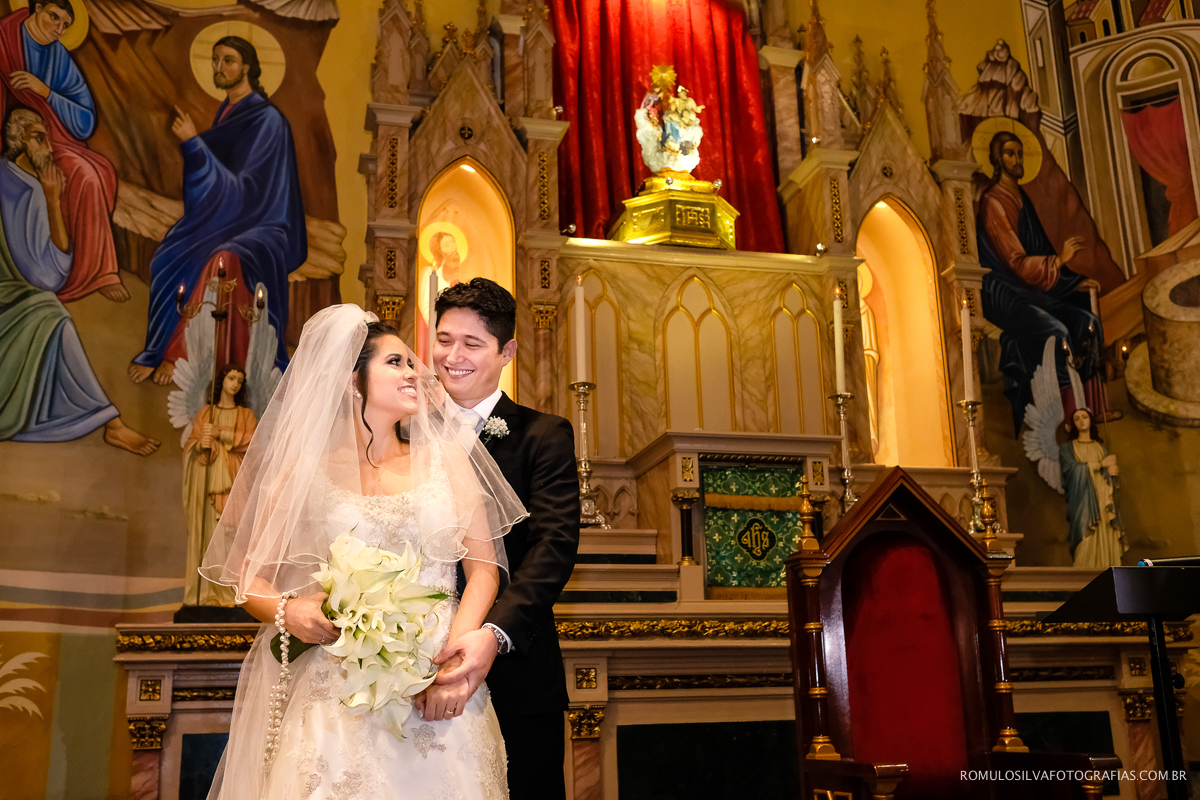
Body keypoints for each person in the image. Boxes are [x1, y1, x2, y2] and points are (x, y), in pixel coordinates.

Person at [199, 305, 525, 799]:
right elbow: (247, 579)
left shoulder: (446, 462)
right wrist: (289, 611)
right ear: (353, 381)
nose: (416, 371)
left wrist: (451, 666)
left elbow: (483, 570)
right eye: (396, 363)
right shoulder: (305, 473)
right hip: (338, 690)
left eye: (413, 362)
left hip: (439, 687)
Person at [429, 278, 581, 800]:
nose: (453, 356)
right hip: (412, 663)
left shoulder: (543, 434)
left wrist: (493, 635)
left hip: (515, 672)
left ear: (506, 351)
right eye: (444, 339)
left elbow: (553, 546)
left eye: (472, 344)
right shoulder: (403, 432)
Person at [130, 35, 306, 386]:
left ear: (247, 67)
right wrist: (196, 146)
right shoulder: (229, 112)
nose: (219, 67)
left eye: (227, 60)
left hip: (263, 224)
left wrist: (194, 144)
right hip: (228, 216)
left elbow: (250, 190)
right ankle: (162, 348)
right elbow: (220, 186)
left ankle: (177, 353)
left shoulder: (268, 120)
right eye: (215, 60)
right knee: (166, 258)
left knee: (219, 259)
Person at [0, 107, 157, 455]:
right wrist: (54, 202)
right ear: (20, 141)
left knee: (48, 313)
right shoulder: (28, 192)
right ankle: (111, 424)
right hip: (10, 305)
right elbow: (49, 276)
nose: (50, 147)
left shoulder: (14, 180)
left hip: (12, 298)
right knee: (51, 313)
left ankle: (107, 421)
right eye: (40, 138)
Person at [977, 130, 1111, 433]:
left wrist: (1072, 281)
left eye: (1020, 154)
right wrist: (1059, 262)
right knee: (1057, 332)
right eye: (1011, 153)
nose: (1017, 159)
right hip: (1005, 292)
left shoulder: (1021, 197)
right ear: (998, 159)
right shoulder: (993, 203)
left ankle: (1093, 410)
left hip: (1034, 287)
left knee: (1087, 323)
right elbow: (1015, 262)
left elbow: (1039, 253)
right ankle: (1066, 414)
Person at [0, 0, 126, 303]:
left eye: (64, 25)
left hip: (52, 140)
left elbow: (84, 121)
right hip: (10, 138)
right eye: (53, 17)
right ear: (36, 8)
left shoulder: (59, 56)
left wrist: (46, 91)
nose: (58, 29)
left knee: (90, 175)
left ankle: (96, 272)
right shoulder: (4, 39)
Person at [181, 365, 256, 608]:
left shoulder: (246, 415)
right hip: (207, 479)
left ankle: (231, 595)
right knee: (207, 533)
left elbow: (251, 444)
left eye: (239, 380)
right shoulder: (206, 413)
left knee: (230, 534)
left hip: (234, 478)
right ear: (221, 381)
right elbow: (192, 447)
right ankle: (203, 595)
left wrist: (220, 434)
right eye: (231, 378)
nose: (235, 383)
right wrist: (200, 445)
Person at [1060, 407, 1125, 569]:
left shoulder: (1099, 447)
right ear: (1073, 424)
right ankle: (1085, 567)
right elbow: (1071, 471)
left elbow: (1108, 475)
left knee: (1105, 527)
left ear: (1090, 421)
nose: (1081, 421)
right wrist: (1100, 465)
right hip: (1082, 498)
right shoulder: (1068, 448)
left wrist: (1112, 473)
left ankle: (1107, 564)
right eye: (1077, 418)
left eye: (1084, 417)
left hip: (1102, 496)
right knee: (1086, 529)